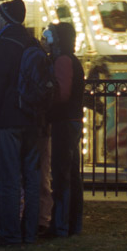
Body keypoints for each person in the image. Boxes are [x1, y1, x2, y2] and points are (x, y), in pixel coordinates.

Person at [0, 0, 43, 246]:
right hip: (33, 119)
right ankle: (30, 232)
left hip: (9, 120)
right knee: (32, 179)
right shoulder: (32, 42)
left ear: (6, 17)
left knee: (8, 179)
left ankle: (9, 234)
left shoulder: (3, 45)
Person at [40, 21, 85, 239]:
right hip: (72, 119)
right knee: (71, 174)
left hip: (64, 121)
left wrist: (46, 99)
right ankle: (72, 223)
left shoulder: (63, 60)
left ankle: (60, 225)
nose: (49, 40)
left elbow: (61, 94)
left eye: (52, 36)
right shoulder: (71, 60)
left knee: (62, 174)